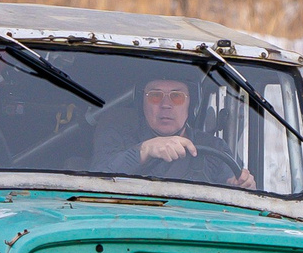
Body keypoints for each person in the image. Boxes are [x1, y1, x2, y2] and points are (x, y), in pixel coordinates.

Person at [97, 75, 254, 188]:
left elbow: (231, 190)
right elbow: (95, 182)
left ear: (191, 104)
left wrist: (242, 186)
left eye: (177, 96)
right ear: (142, 103)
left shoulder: (214, 148)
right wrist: (144, 150)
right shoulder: (117, 137)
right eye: (155, 95)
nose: (166, 105)